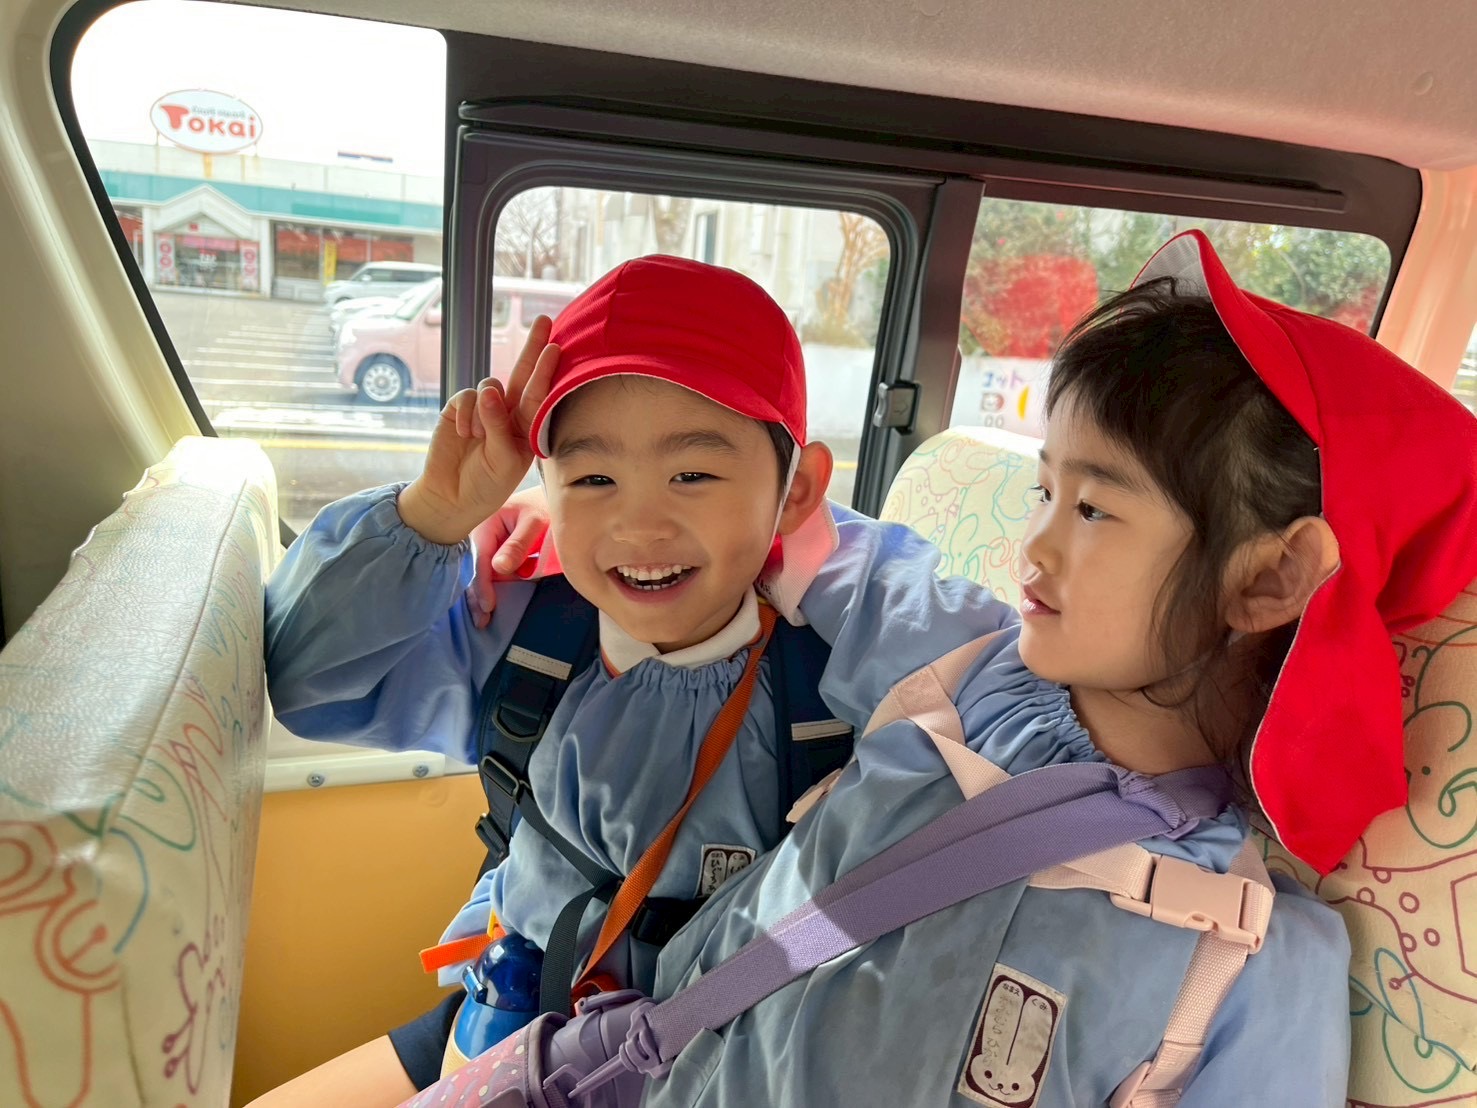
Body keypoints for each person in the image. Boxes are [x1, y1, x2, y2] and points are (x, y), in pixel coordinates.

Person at [467, 231, 1477, 1104]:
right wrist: (572, 514)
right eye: (1043, 491)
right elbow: (795, 543)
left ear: (1268, 578)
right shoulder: (958, 681)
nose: (1032, 545)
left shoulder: (1253, 958)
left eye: (1093, 508)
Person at [250, 256, 866, 1104]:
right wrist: (435, 515)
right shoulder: (524, 633)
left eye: (692, 474)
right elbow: (307, 680)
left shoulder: (841, 682)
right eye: (592, 478)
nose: (638, 524)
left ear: (796, 491)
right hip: (508, 1018)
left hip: (714, 1067)